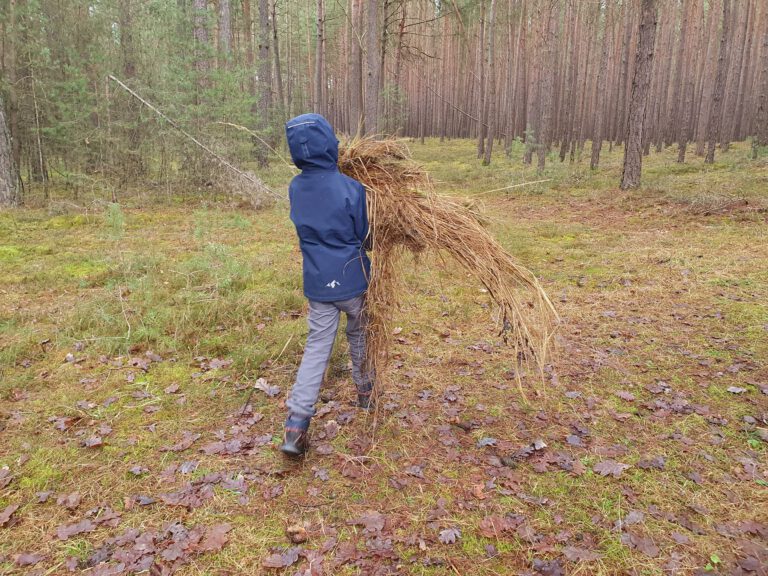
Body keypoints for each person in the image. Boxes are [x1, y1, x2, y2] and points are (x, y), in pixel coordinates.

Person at [280, 113, 374, 458]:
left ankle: (296, 425)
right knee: (361, 334)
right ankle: (366, 393)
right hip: (353, 281)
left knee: (317, 347)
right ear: (329, 145)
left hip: (318, 283)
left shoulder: (295, 187)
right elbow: (365, 236)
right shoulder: (351, 187)